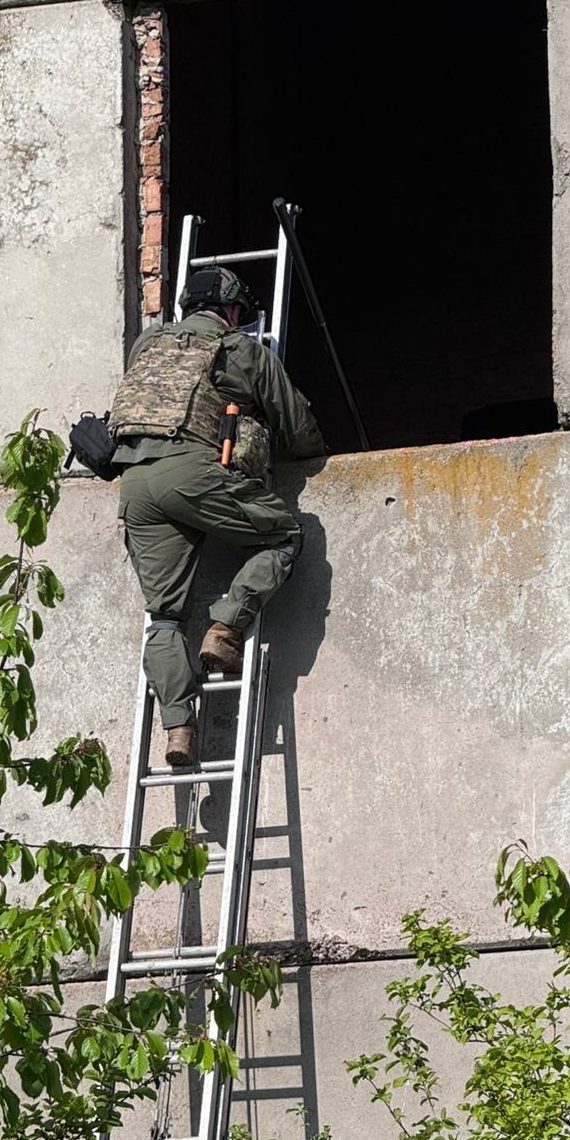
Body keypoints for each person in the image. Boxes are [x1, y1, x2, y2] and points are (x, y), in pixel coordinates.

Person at [112, 266, 326, 767]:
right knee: (285, 535)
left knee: (164, 617)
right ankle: (225, 629)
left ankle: (177, 728)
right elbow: (299, 431)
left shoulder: (148, 345)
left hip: (135, 485)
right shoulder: (244, 351)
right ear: (233, 312)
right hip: (196, 476)